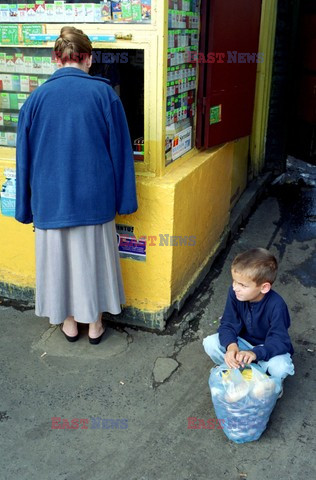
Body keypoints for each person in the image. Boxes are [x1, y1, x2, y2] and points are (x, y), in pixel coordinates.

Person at [15, 26, 137, 345]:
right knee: (93, 261)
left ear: (57, 59)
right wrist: (125, 202)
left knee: (57, 264)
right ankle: (95, 323)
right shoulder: (105, 94)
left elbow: (23, 159)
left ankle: (68, 322)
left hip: (49, 199)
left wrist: (24, 208)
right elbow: (121, 153)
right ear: (90, 59)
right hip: (94, 197)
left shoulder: (35, 99)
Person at [203, 248, 295, 386]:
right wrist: (231, 347)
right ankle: (239, 369)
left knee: (281, 367)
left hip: (267, 349)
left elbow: (280, 341)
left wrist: (255, 353)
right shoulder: (235, 293)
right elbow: (228, 324)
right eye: (234, 281)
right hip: (242, 345)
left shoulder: (277, 305)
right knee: (210, 343)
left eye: (242, 285)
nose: (235, 288)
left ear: (264, 288)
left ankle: (269, 383)